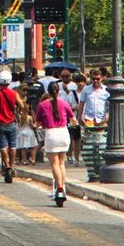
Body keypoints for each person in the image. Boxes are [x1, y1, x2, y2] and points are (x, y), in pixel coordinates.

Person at [39, 76, 76, 205]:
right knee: (61, 163)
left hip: (51, 133)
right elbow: (73, 118)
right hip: (64, 133)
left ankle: (59, 187)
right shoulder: (64, 103)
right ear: (58, 91)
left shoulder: (43, 105)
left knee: (54, 164)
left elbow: (38, 122)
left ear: (48, 91)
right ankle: (62, 188)